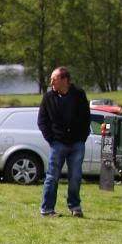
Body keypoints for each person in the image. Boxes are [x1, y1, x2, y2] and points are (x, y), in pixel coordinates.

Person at [37, 66, 90, 218]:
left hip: (76, 143)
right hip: (58, 143)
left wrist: (82, 137)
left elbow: (86, 118)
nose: (51, 81)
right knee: (52, 176)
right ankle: (47, 209)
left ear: (64, 80)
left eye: (54, 78)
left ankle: (75, 206)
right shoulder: (48, 97)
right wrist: (52, 140)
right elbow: (42, 121)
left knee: (75, 177)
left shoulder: (79, 95)